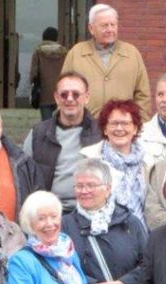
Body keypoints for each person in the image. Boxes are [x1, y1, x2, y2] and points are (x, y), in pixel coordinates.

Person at [23, 72, 102, 211]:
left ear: (87, 98)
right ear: (56, 98)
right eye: (64, 94)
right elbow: (24, 177)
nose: (69, 99)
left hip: (92, 211)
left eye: (76, 94)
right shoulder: (38, 134)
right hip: (49, 213)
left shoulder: (101, 133)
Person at [61, 3, 150, 119]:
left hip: (121, 127)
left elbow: (143, 95)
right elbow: (63, 90)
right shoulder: (76, 53)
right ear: (91, 28)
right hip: (84, 126)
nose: (110, 29)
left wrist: (139, 123)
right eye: (104, 25)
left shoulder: (131, 53)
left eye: (113, 25)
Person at [79, 99, 152, 227]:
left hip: (143, 235)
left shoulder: (148, 162)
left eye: (125, 123)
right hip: (105, 233)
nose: (119, 128)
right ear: (105, 129)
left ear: (135, 129)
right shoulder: (90, 160)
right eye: (113, 123)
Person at [29, 27, 68, 120]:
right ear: (56, 38)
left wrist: (33, 84)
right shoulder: (64, 52)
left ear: (44, 38)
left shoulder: (38, 52)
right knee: (60, 122)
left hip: (44, 92)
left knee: (46, 122)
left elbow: (33, 73)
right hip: (61, 92)